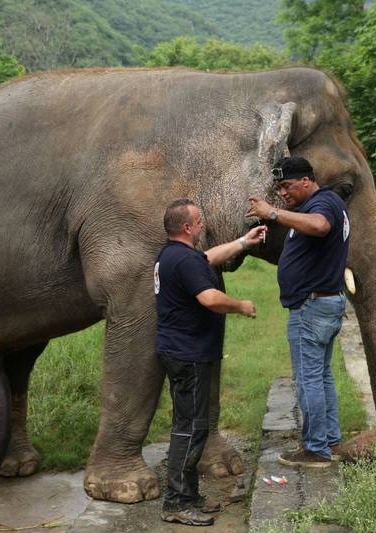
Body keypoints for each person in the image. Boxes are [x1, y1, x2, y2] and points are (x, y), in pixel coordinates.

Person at [154, 199, 266, 526]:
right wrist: (240, 305)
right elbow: (209, 298)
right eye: (199, 221)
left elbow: (207, 258)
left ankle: (187, 496)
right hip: (188, 355)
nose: (202, 225)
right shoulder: (183, 260)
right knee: (188, 430)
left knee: (194, 427)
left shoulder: (173, 255)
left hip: (184, 351)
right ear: (187, 227)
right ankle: (175, 501)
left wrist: (245, 242)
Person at [245, 156, 350, 468]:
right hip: (321, 303)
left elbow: (320, 227)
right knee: (321, 375)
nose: (283, 193)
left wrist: (273, 213)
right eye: (279, 188)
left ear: (306, 180)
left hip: (312, 306)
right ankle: (330, 440)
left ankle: (316, 449)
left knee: (308, 379)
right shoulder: (319, 204)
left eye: (287, 186)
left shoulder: (324, 204)